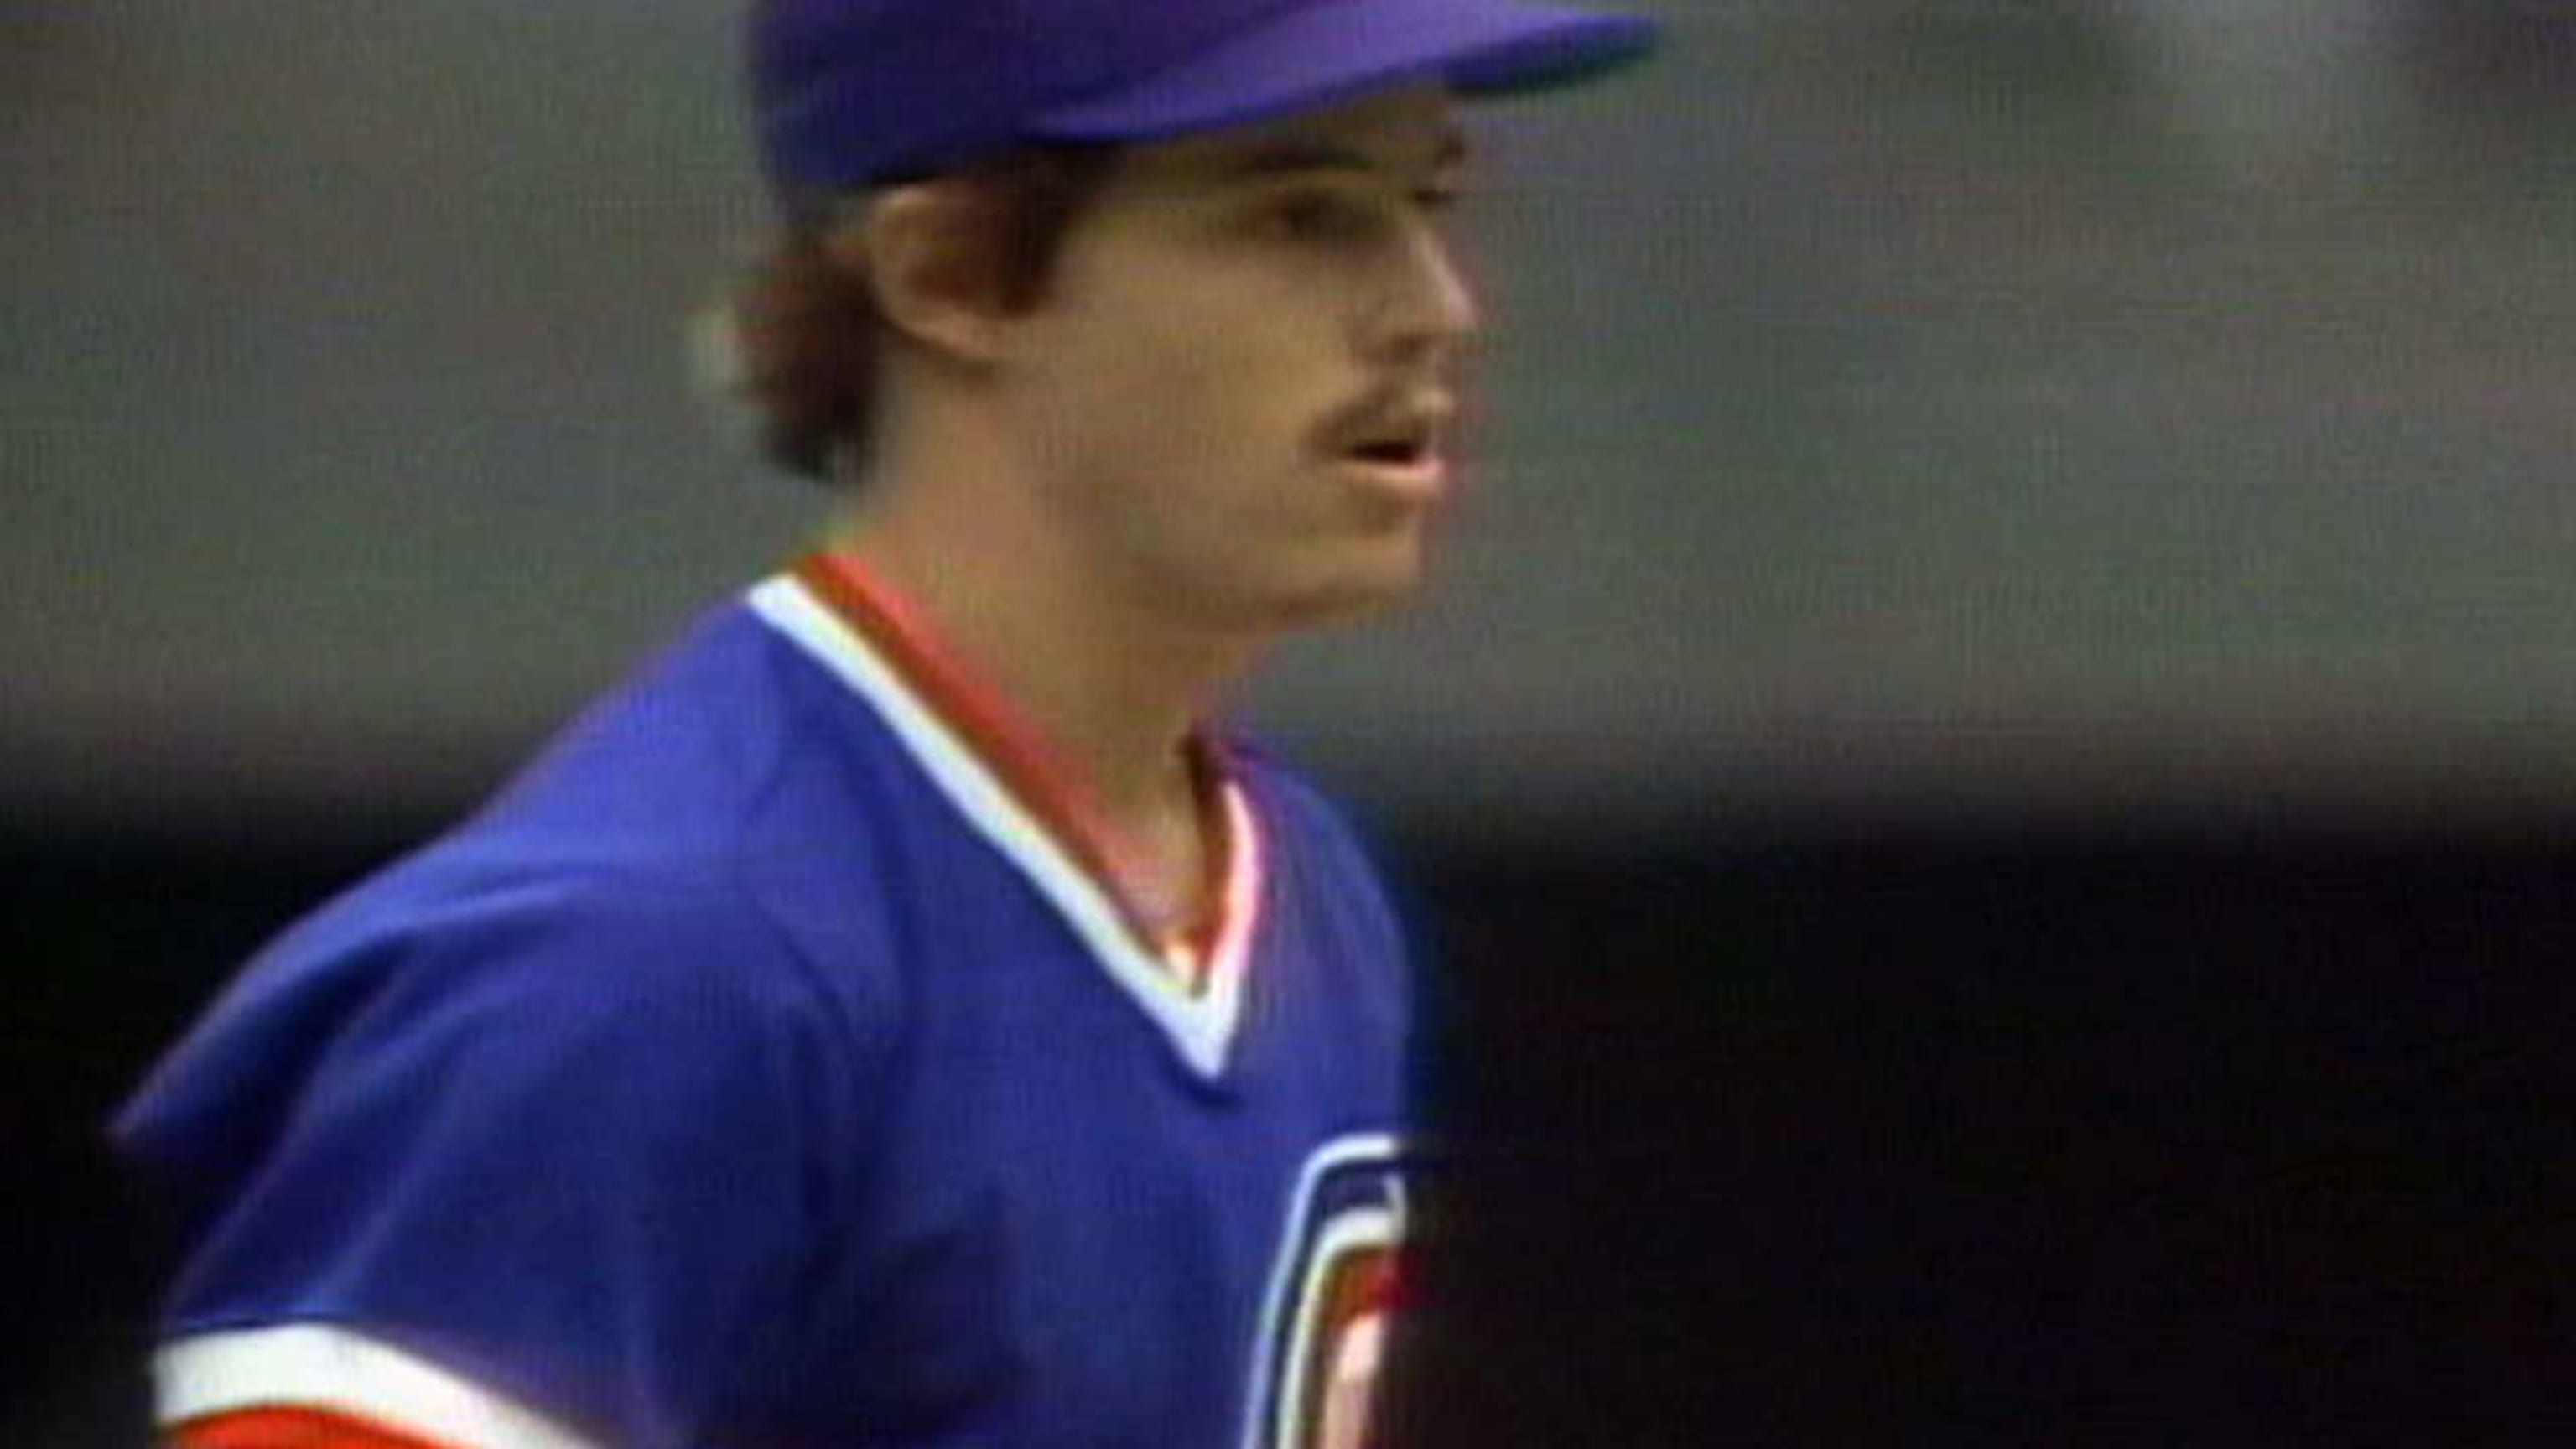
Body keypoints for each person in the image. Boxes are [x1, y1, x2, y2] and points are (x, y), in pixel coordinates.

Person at [113, 1, 1658, 1445]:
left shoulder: (1302, 893)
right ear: (953, 275)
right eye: (1298, 212)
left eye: (1429, 203)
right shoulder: (643, 965)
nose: (1433, 310)